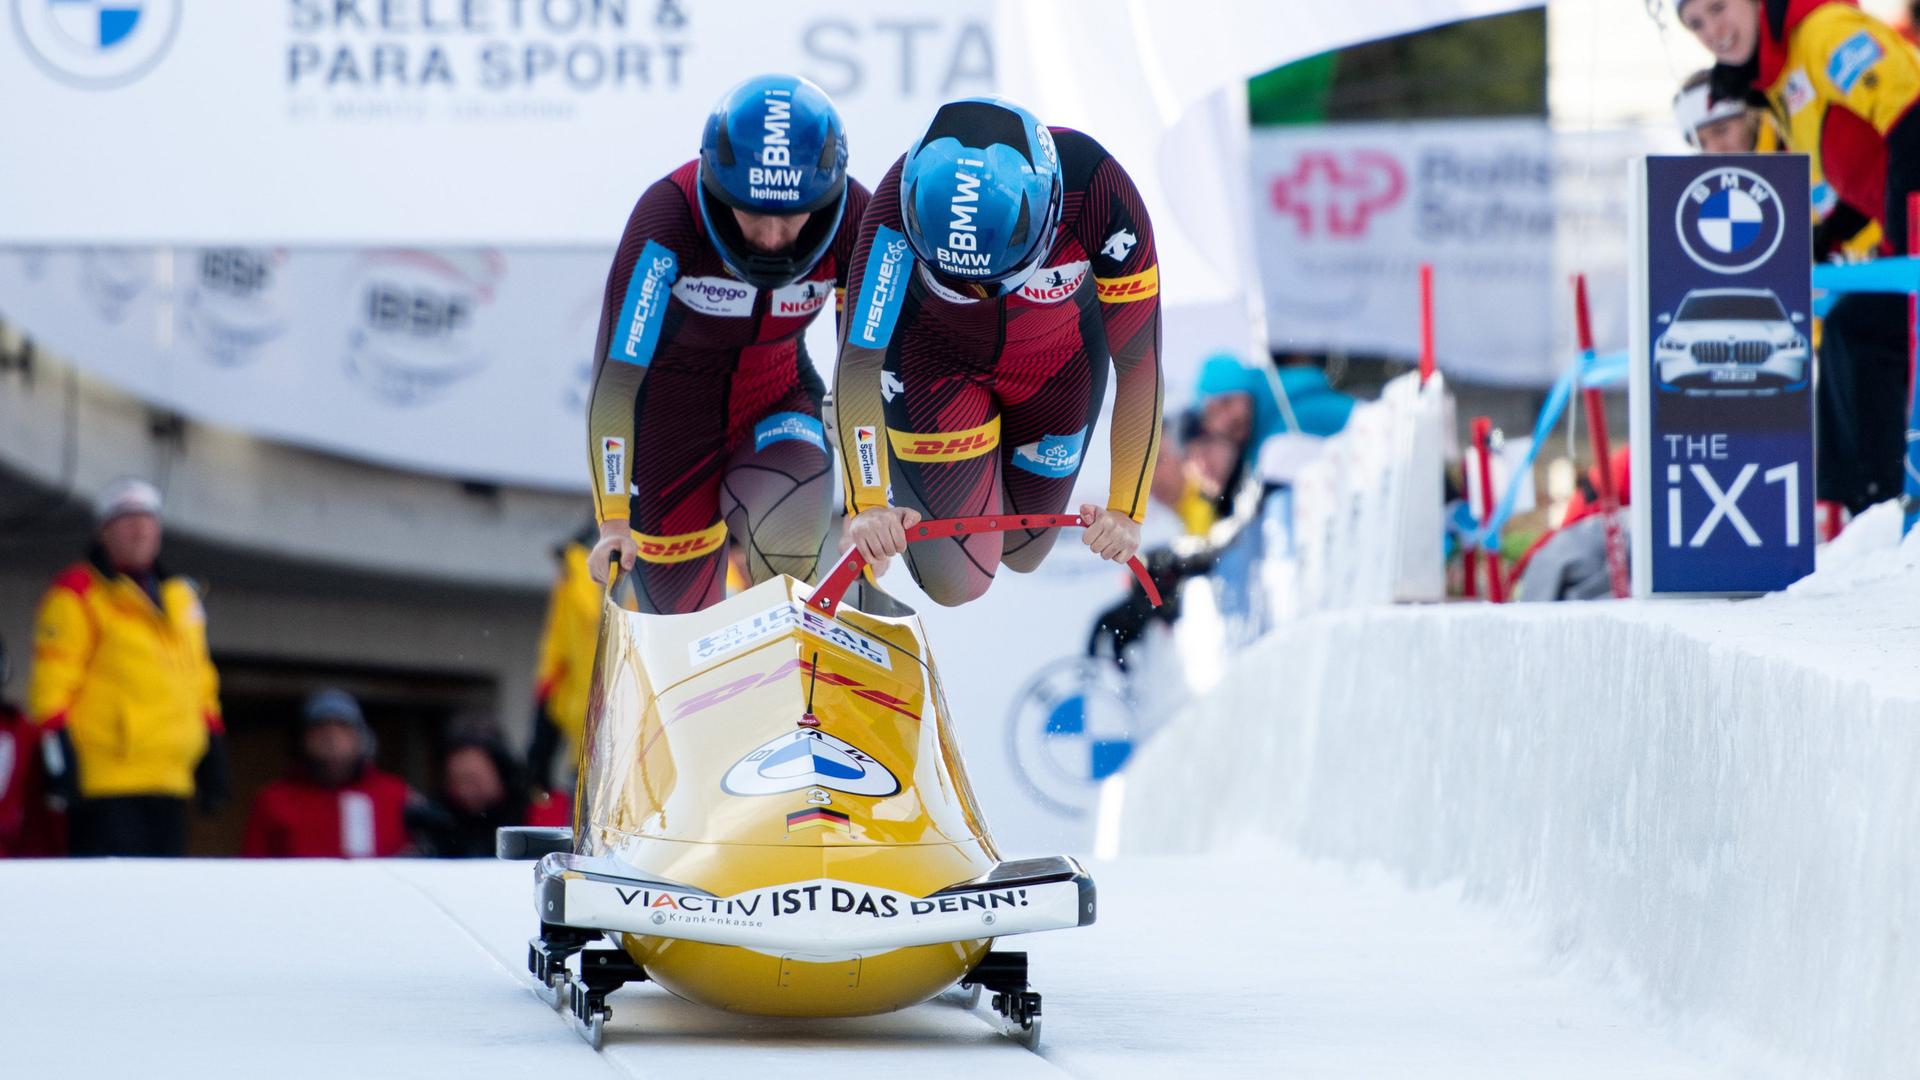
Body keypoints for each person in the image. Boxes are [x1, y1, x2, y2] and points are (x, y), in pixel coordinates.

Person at [834, 97, 1164, 604]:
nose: (976, 294)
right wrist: (868, 501)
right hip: (935, 362)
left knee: (1025, 549)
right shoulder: (893, 215)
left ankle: (905, 455)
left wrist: (1126, 508)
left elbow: (1139, 364)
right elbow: (859, 359)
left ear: (1048, 216)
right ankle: (879, 444)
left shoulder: (1100, 192)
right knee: (958, 580)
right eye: (956, 281)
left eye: (993, 280)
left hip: (1056, 366)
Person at [583, 74, 871, 613]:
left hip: (777, 401)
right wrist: (613, 521)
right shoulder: (667, 219)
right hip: (670, 437)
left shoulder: (857, 218)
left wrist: (867, 503)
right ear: (717, 192)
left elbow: (862, 367)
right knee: (680, 629)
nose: (769, 237)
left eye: (789, 217)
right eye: (751, 212)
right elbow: (617, 379)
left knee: (787, 546)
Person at [27, 479, 227, 857]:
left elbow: (200, 679)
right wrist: (58, 760)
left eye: (148, 519)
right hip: (107, 781)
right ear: (104, 532)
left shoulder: (180, 597)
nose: (139, 529)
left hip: (171, 779)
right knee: (110, 902)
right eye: (126, 519)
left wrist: (213, 747)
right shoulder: (79, 593)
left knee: (162, 903)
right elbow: (52, 684)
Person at [1685, 0, 1920, 253]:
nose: (1713, 31)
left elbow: (1913, 124)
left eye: (1718, 7)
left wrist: (1900, 243)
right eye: (1696, 24)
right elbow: (1871, 170)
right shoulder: (1776, 84)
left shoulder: (1825, 32)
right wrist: (1833, 233)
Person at [240, 689, 411, 859]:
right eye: (320, 727)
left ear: (361, 738)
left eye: (343, 727)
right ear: (303, 739)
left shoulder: (396, 795)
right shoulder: (274, 800)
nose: (331, 736)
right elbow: (252, 867)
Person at [410, 726, 567, 858]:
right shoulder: (441, 822)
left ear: (502, 775)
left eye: (472, 780)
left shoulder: (542, 813)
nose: (463, 790)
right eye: (455, 781)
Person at [527, 520, 599, 794]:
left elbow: (554, 668)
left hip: (589, 748)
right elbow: (555, 669)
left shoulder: (575, 576)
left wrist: (540, 754)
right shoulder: (576, 579)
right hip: (600, 750)